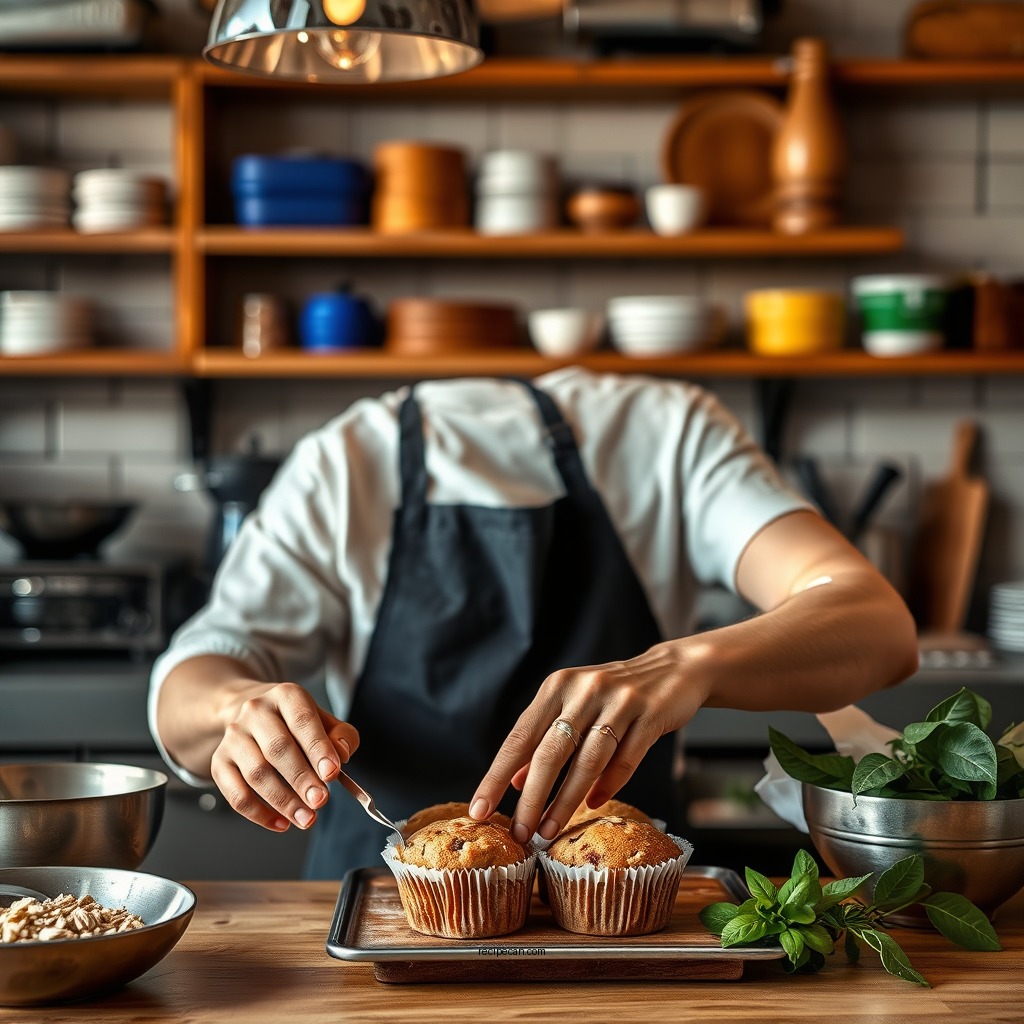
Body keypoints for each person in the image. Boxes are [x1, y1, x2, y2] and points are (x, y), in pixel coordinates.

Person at [148, 368, 918, 879]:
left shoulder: (668, 433)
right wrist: (233, 711)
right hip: (383, 901)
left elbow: (877, 622)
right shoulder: (349, 460)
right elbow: (205, 662)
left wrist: (685, 667)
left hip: (616, 914)